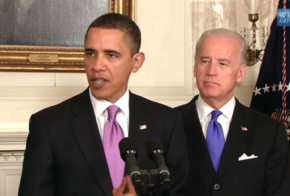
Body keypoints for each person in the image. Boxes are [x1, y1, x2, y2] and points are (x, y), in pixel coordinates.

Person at [18, 13, 189, 196]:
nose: (97, 65)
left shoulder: (166, 122)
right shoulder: (48, 125)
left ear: (136, 62)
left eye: (111, 55)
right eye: (90, 53)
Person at [175, 28, 290, 196]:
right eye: (205, 61)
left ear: (240, 73)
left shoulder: (269, 132)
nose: (211, 71)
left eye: (222, 63)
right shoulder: (168, 124)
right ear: (195, 68)